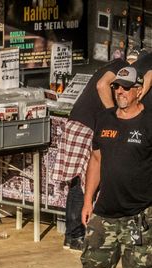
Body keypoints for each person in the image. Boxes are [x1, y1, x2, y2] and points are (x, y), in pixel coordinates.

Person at [64, 66, 152, 268]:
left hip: (139, 213)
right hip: (104, 212)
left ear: (139, 90)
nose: (121, 92)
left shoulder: (149, 122)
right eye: (117, 87)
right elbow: (96, 161)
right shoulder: (104, 119)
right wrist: (88, 199)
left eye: (126, 87)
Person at [53, 56, 129, 251]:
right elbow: (102, 86)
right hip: (85, 126)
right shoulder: (121, 66)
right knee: (82, 182)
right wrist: (113, 116)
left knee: (81, 182)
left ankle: (74, 234)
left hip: (82, 124)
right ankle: (75, 234)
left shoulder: (113, 66)